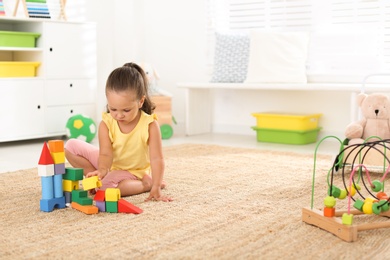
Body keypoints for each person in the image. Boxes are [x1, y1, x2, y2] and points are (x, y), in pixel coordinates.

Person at [64, 62, 172, 202]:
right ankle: (96, 179)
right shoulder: (106, 123)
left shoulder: (150, 125)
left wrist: (156, 186)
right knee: (70, 146)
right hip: (110, 163)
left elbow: (157, 159)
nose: (119, 115)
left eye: (126, 110)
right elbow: (105, 154)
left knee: (104, 189)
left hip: (134, 171)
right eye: (113, 109)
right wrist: (102, 171)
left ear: (140, 102)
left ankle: (145, 184)